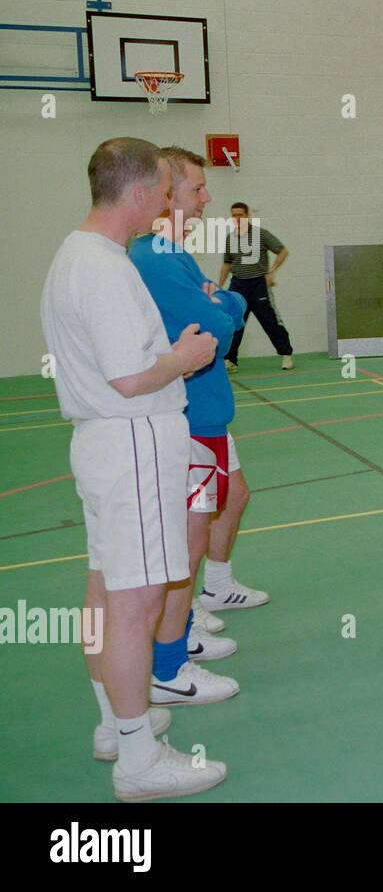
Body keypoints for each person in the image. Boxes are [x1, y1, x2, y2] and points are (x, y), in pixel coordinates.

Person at [40, 136, 226, 800]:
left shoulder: (76, 254)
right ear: (143, 191)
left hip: (107, 444)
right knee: (136, 600)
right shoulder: (107, 268)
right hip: (132, 439)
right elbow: (130, 376)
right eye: (164, 188)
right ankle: (140, 759)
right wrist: (186, 356)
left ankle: (114, 725)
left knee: (106, 587)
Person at [128, 148, 265, 694]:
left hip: (203, 413)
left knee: (201, 525)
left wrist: (222, 303)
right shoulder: (158, 258)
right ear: (165, 195)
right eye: (196, 190)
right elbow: (220, 325)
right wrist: (225, 305)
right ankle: (168, 665)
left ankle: (178, 641)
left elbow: (221, 309)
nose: (207, 198)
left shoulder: (172, 254)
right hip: (191, 417)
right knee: (184, 543)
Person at [220, 201, 294, 371]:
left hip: (258, 284)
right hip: (238, 285)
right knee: (234, 322)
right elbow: (226, 264)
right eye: (234, 215)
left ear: (247, 216)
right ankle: (230, 360)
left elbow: (283, 251)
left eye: (241, 215)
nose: (237, 218)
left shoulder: (261, 234)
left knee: (270, 321)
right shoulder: (231, 238)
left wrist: (271, 271)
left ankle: (286, 354)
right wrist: (219, 285)